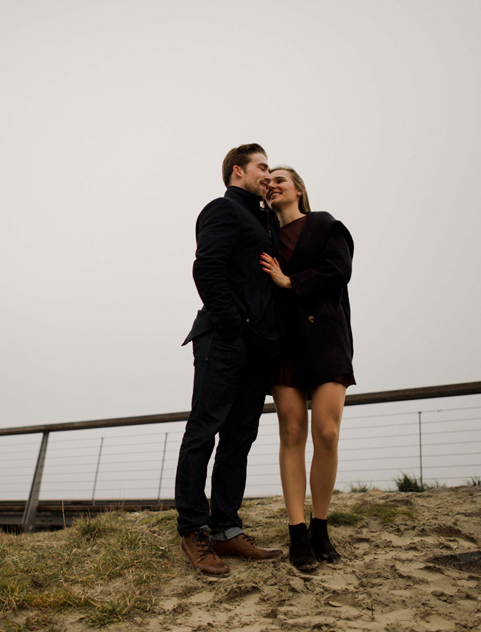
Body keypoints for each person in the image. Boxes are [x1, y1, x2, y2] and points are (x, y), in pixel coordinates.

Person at [175, 144, 283, 576]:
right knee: (204, 430)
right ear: (238, 171)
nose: (268, 173)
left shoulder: (264, 219)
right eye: (262, 166)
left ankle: (226, 528)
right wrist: (232, 324)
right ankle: (193, 529)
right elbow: (207, 268)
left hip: (258, 346)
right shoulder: (222, 209)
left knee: (240, 438)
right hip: (224, 339)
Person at [259, 166, 355, 571]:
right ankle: (298, 533)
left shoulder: (325, 224)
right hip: (283, 343)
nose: (272, 185)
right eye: (267, 182)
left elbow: (339, 271)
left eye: (280, 179)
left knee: (328, 433)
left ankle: (321, 527)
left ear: (298, 188)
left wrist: (289, 281)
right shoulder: (262, 235)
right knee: (292, 431)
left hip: (326, 340)